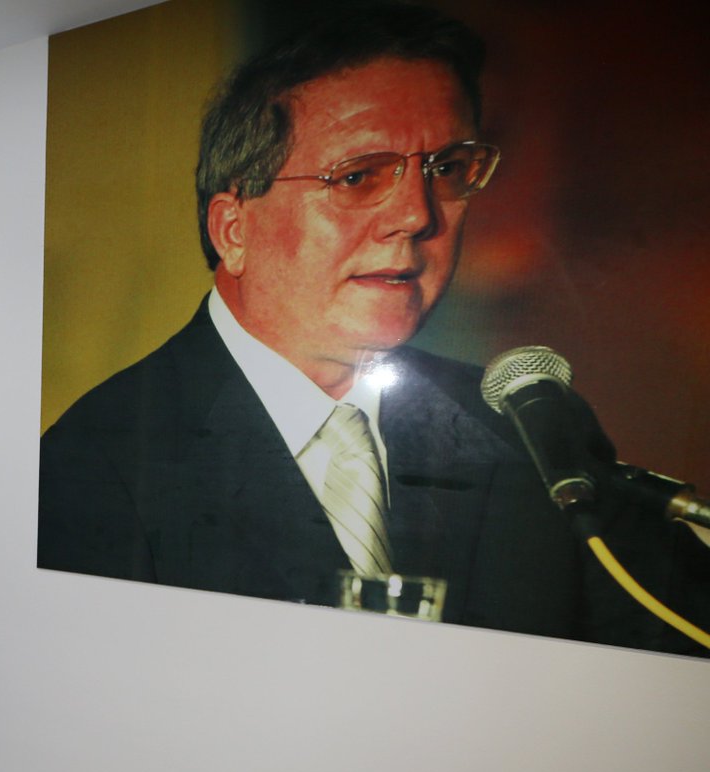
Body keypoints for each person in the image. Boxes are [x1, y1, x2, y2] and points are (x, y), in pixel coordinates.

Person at [38, 1, 709, 655]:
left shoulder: (530, 434)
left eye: (447, 170)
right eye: (358, 176)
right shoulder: (96, 466)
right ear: (233, 228)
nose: (416, 214)